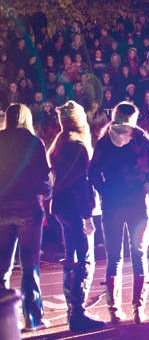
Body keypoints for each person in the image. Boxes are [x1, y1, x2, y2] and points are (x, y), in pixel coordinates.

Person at [89, 102, 149, 324]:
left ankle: (114, 310)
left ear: (115, 116)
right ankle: (138, 310)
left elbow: (93, 172)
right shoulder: (140, 137)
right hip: (136, 202)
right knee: (139, 253)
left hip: (112, 204)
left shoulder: (105, 139)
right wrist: (143, 182)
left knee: (114, 257)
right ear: (133, 117)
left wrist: (105, 190)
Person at [48, 101, 105, 331]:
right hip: (76, 208)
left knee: (71, 258)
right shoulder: (78, 145)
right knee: (84, 260)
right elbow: (80, 183)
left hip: (61, 206)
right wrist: (87, 216)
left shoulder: (59, 142)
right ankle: (78, 313)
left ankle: (72, 311)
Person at [0, 104, 52, 332]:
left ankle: (3, 320)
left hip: (2, 208)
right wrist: (46, 192)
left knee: (2, 268)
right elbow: (43, 177)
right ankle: (32, 319)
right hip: (28, 207)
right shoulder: (33, 142)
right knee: (30, 265)